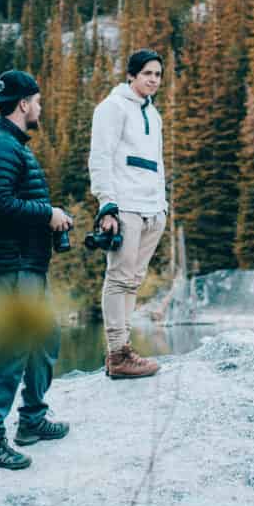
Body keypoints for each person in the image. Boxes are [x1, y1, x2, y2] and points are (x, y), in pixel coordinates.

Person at [0, 69, 74, 469]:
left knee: (45, 337)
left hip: (25, 264)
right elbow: (0, 203)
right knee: (10, 348)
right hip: (7, 265)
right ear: (24, 103)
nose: (41, 107)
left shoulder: (10, 144)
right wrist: (48, 214)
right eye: (38, 101)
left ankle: (31, 420)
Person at [88, 49, 169, 379]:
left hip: (153, 209)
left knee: (133, 280)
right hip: (125, 208)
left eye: (158, 74)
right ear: (131, 75)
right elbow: (100, 157)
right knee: (119, 278)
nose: (153, 79)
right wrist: (106, 204)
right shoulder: (112, 108)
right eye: (147, 73)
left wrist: (162, 207)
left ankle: (124, 351)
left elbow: (158, 163)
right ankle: (117, 352)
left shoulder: (156, 115)